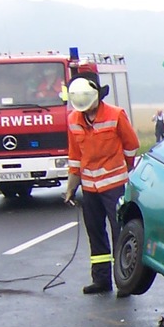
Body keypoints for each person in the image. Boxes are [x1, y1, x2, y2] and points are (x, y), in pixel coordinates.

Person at [64, 75, 139, 295]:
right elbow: (75, 156)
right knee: (95, 232)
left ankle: (123, 280)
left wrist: (123, 170)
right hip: (89, 188)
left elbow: (131, 145)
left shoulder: (115, 115)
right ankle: (101, 280)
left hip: (114, 185)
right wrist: (71, 187)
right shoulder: (73, 120)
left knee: (119, 231)